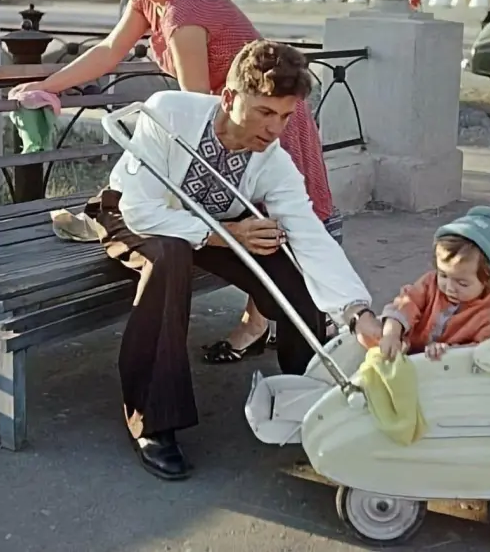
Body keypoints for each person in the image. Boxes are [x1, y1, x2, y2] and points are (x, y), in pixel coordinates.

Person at [13, 0, 338, 359]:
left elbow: (197, 107)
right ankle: (266, 323)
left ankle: (269, 327)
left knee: (269, 224)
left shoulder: (184, 12)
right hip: (239, 119)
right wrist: (48, 87)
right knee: (254, 223)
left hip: (265, 120)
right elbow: (109, 50)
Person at [85, 40, 381, 480]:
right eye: (264, 112)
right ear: (229, 97)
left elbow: (309, 233)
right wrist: (226, 236)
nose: (275, 128)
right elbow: (141, 210)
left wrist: (356, 311)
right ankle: (153, 421)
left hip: (215, 225)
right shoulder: (169, 111)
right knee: (170, 256)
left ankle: (312, 389)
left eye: (284, 116)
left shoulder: (272, 160)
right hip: (137, 215)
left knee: (286, 260)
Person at [374, 206, 490, 361]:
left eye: (462, 283)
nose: (449, 288)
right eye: (443, 275)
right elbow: (406, 303)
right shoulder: (430, 284)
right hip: (406, 354)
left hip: (447, 377)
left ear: (488, 281)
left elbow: (485, 354)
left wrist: (449, 352)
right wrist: (392, 333)